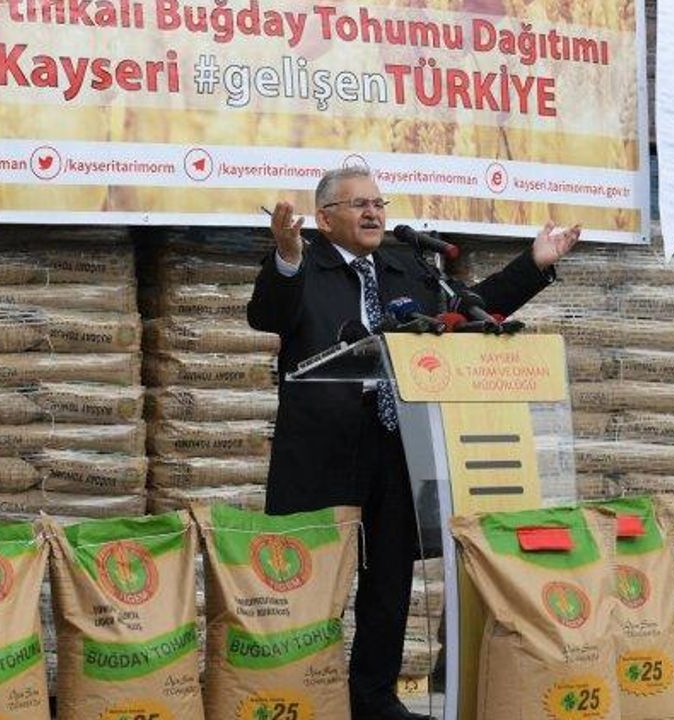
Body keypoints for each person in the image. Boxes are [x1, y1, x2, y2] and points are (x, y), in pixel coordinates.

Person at [248, 166, 581, 720]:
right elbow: (268, 314)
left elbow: (467, 310)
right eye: (359, 204)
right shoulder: (305, 262)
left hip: (396, 439)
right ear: (325, 218)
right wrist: (286, 254)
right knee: (309, 579)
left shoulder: (404, 266)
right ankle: (300, 695)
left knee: (389, 578)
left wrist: (534, 263)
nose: (373, 212)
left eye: (378, 203)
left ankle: (373, 699)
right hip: (324, 445)